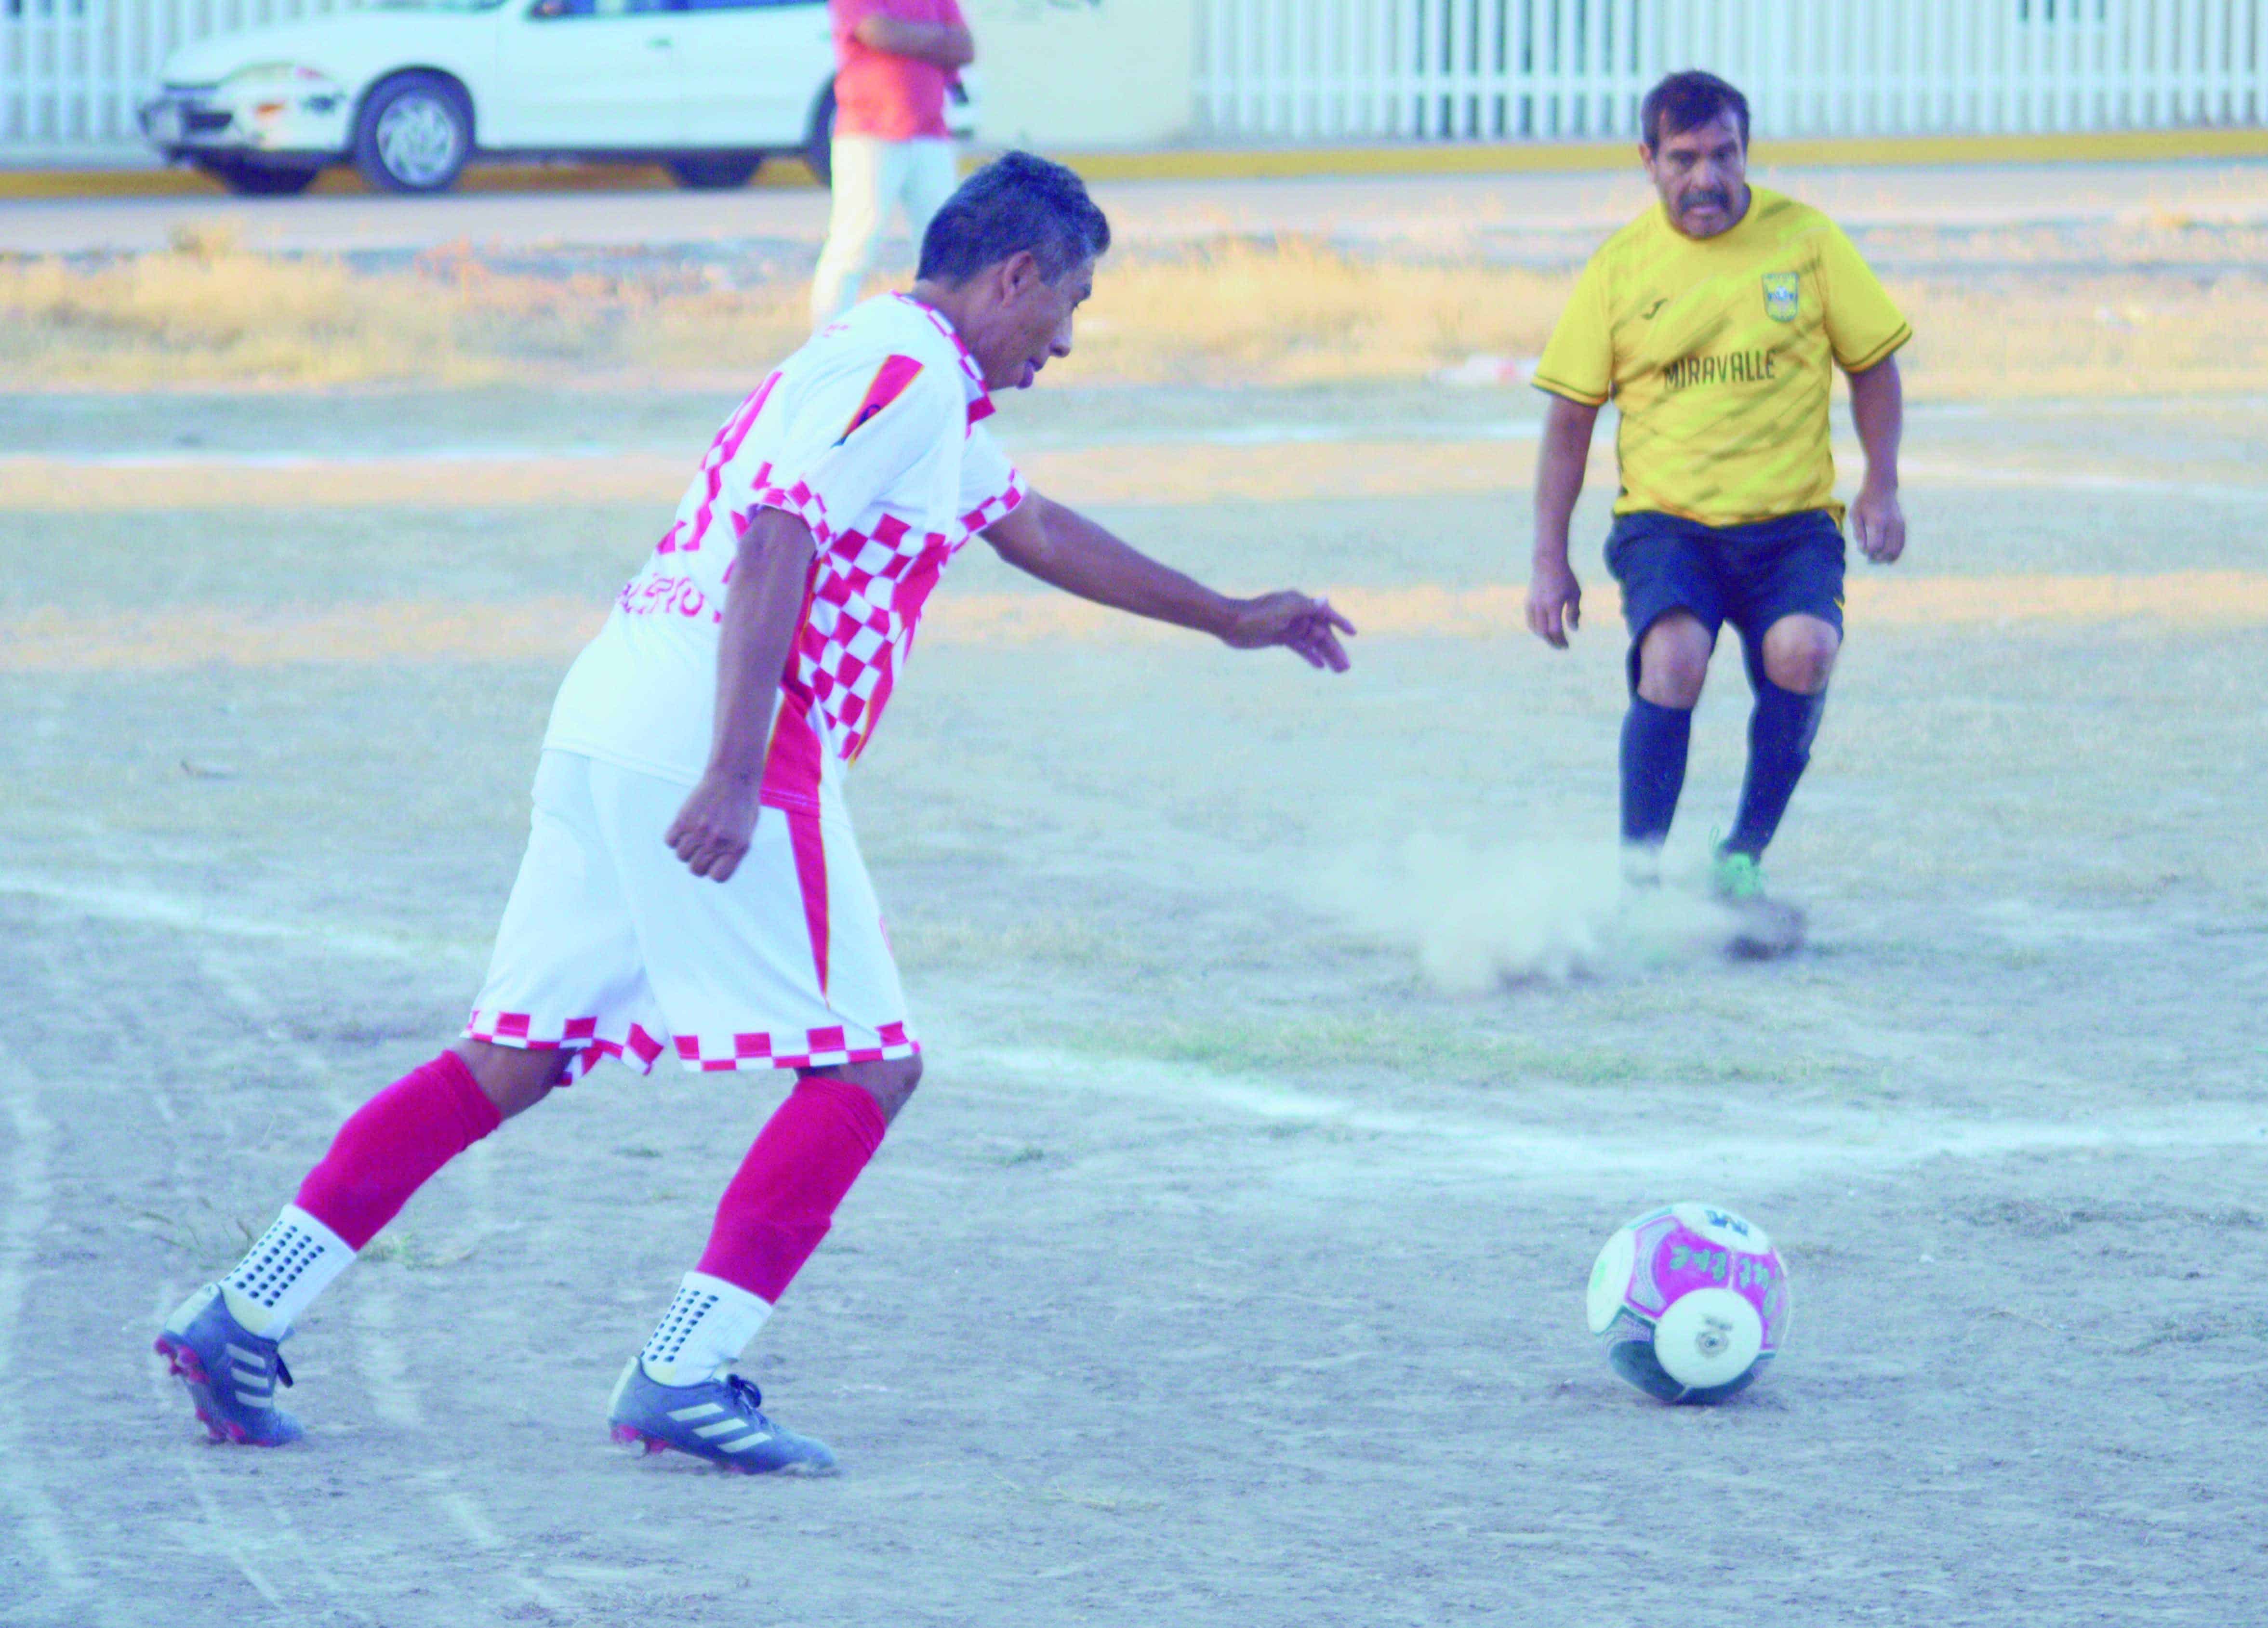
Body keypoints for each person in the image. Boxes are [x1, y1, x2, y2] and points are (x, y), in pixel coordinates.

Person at [157, 152, 1355, 1476]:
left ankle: (242, 1307)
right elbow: (778, 532)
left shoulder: (900, 373)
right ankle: (685, 1365)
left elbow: (1032, 529)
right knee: (868, 1061)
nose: (1066, 339)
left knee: (517, 1053)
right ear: (1012, 276)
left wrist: (1231, 615)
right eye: (1067, 302)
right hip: (716, 729)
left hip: (612, 708)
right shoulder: (905, 373)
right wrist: (734, 768)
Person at [1524, 70, 1909, 936]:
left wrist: (1880, 482)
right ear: (1648, 161)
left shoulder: (1806, 242)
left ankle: (1738, 856)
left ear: (1747, 151)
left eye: (1723, 154)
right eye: (1684, 158)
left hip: (1791, 525)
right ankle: (1637, 886)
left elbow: (1872, 366)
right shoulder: (1619, 269)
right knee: (1674, 660)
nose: (1706, 177)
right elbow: (1568, 424)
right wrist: (1550, 559)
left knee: (1805, 651)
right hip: (1669, 524)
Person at [809, 0, 973, 326]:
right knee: (854, 246)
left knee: (945, 251)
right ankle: (824, 343)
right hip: (870, 132)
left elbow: (966, 47)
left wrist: (910, 36)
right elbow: (878, 33)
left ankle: (944, 339)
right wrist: (939, 39)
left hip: (930, 133)